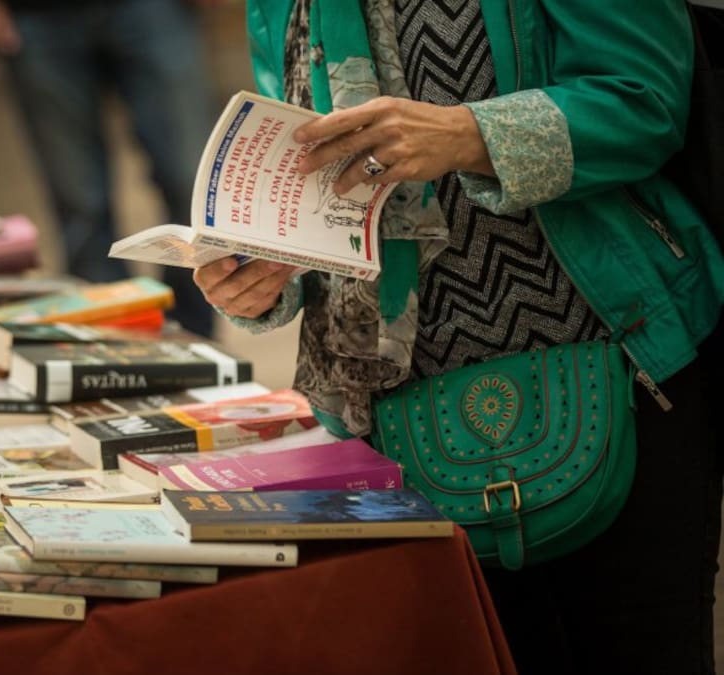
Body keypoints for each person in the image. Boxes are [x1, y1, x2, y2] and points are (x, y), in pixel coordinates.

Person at [193, 1, 724, 673]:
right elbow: (308, 171)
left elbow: (644, 100)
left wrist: (468, 133)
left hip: (617, 370)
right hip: (394, 418)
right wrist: (263, 276)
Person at [0, 0, 219, 337]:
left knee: (194, 181)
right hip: (38, 18)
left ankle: (197, 343)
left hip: (154, 9)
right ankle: (117, 350)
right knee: (81, 205)